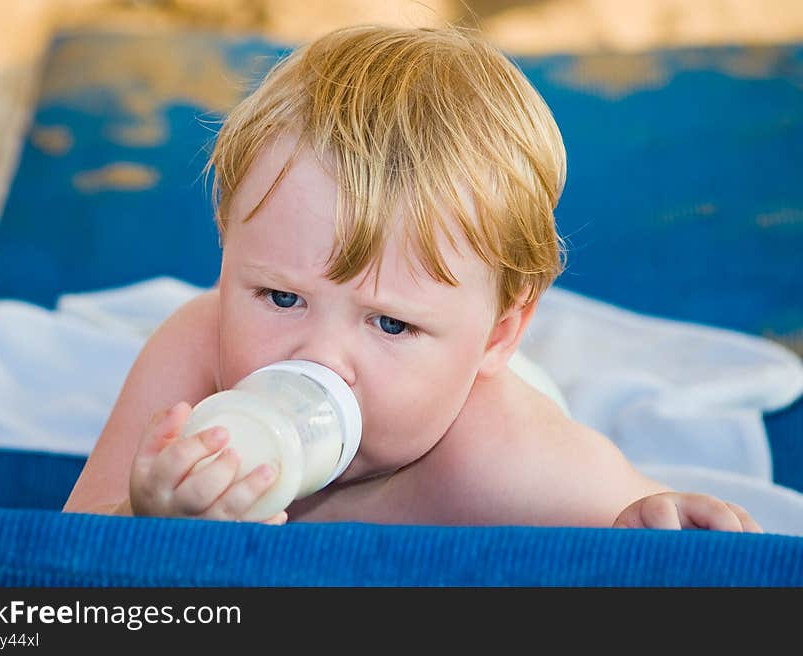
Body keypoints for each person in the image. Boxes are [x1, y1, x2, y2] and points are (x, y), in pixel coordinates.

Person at [63, 25, 762, 532]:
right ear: (226, 255)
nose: (318, 358)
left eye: (391, 322)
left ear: (500, 334)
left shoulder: (507, 464)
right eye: (282, 296)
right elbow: (62, 556)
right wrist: (147, 514)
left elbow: (663, 530)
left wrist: (647, 525)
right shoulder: (193, 354)